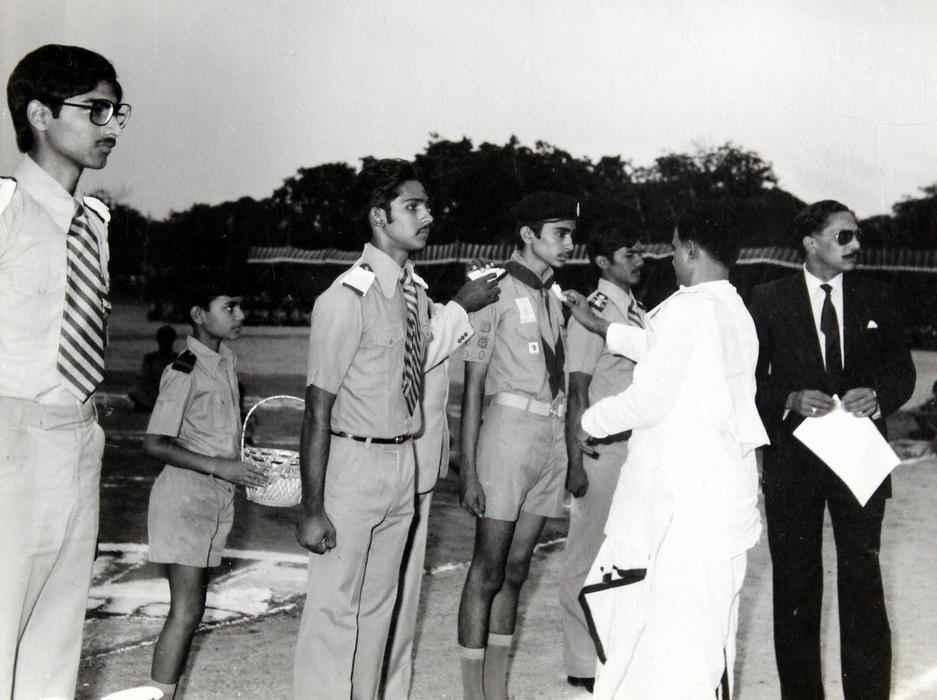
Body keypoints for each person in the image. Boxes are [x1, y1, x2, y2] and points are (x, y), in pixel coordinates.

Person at [293, 159, 500, 700]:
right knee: (334, 611)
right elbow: (317, 408)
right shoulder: (346, 297)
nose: (427, 216)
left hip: (403, 462)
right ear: (379, 217)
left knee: (379, 612)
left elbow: (421, 362)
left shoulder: (415, 294)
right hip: (353, 464)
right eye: (413, 207)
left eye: (427, 206)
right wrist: (312, 507)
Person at [565, 203, 768, 698]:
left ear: (692, 250)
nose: (671, 258)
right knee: (708, 637)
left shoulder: (688, 308)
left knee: (665, 639)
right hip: (722, 497)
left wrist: (589, 424)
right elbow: (669, 353)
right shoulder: (733, 308)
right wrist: (604, 329)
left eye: (675, 248)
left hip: (682, 505)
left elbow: (649, 398)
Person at [0, 44, 130, 700]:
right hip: (11, 441)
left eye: (117, 112)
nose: (112, 127)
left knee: (54, 646)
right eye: (96, 109)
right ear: (40, 114)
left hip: (77, 438)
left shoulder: (94, 224)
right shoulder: (4, 206)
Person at [749, 200, 915, 700]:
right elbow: (746, 381)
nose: (856, 245)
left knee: (862, 579)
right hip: (793, 465)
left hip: (859, 461)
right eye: (844, 236)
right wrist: (789, 398)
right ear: (810, 242)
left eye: (857, 235)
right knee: (795, 587)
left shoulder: (878, 296)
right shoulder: (767, 299)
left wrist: (879, 395)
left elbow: (902, 371)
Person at [456, 191, 577, 700]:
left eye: (572, 235)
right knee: (487, 570)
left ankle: (496, 689)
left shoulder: (553, 296)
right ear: (528, 234)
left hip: (550, 436)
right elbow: (473, 386)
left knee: (517, 569)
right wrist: (467, 469)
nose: (569, 244)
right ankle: (473, 694)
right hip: (507, 433)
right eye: (560, 234)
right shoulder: (493, 289)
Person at [142, 287, 268, 698]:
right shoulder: (185, 370)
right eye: (229, 307)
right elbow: (154, 443)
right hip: (185, 500)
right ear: (198, 314)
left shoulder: (225, 361)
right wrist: (221, 466)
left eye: (239, 305)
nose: (239, 314)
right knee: (185, 611)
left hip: (212, 500)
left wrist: (240, 461)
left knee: (190, 610)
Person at [560, 219, 645, 693]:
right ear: (601, 262)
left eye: (639, 252)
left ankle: (613, 656)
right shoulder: (590, 311)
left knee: (625, 556)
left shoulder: (636, 311)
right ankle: (582, 664)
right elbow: (577, 389)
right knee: (586, 557)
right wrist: (575, 462)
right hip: (603, 452)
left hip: (636, 451)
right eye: (628, 253)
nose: (639, 260)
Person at [381, 358, 451, 699]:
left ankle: (392, 689)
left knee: (406, 590)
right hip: (392, 462)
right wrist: (458, 324)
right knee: (383, 589)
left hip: (419, 463)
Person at [129, 324, 178, 411]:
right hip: (153, 392)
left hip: (170, 393)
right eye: (163, 339)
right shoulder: (150, 358)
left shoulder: (178, 359)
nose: (165, 342)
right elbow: (144, 379)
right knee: (135, 392)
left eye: (168, 339)